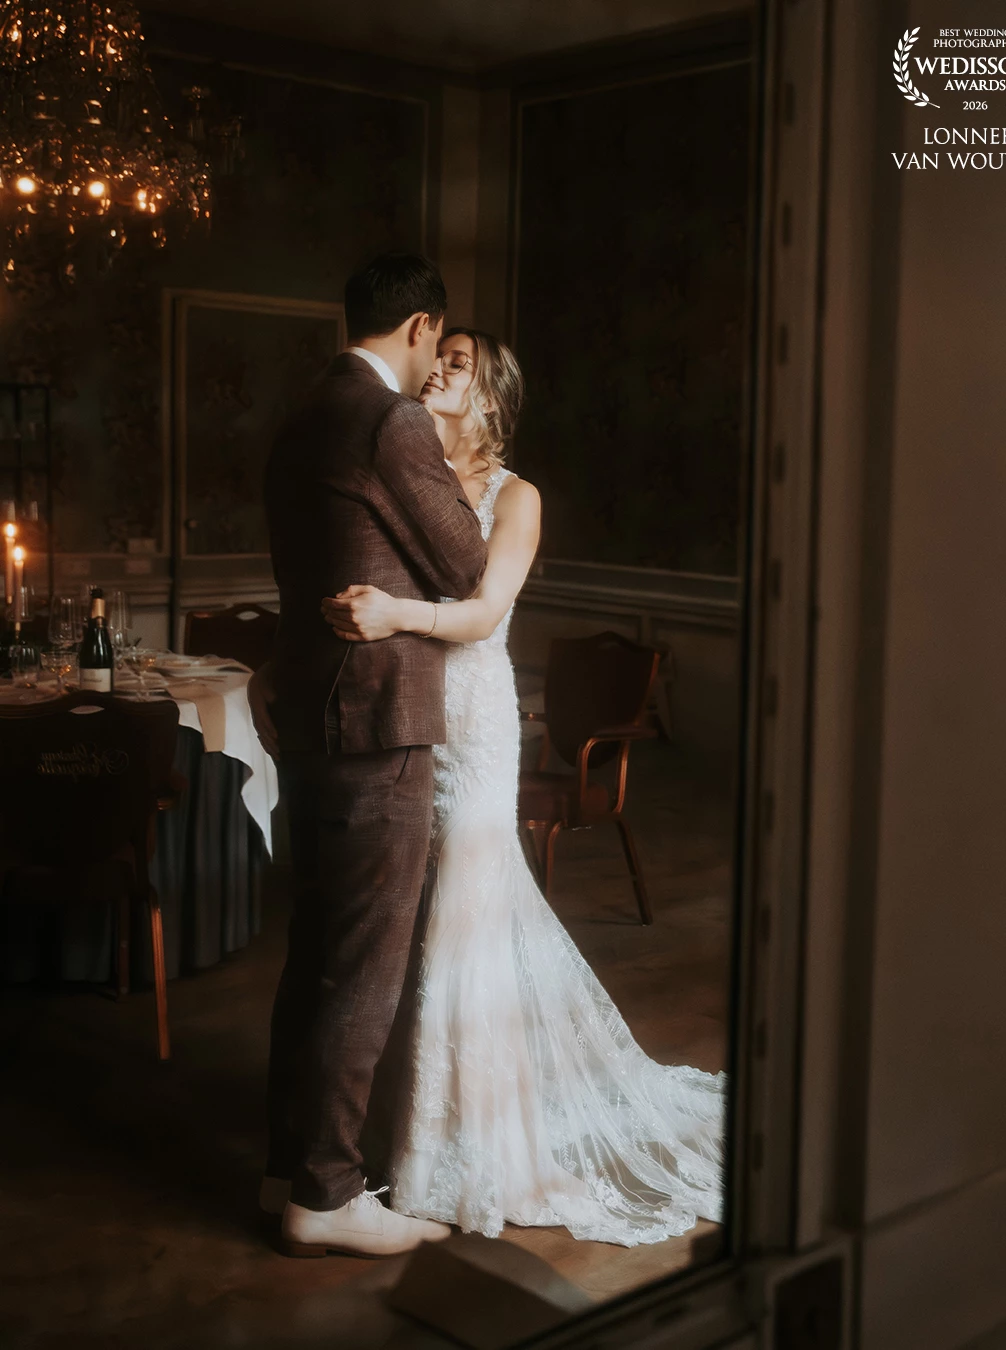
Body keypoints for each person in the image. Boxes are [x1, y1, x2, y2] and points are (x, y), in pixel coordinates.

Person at [322, 328, 724, 1247]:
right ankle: (394, 1124)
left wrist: (391, 615)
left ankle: (462, 1143)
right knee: (409, 919)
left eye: (459, 362)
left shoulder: (517, 496)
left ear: (493, 394)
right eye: (440, 354)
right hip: (407, 715)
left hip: (474, 720)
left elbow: (484, 612)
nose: (440, 367)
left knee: (462, 919)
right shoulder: (409, 477)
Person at [252, 254, 487, 1258]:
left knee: (314, 951)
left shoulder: (304, 411)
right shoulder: (390, 421)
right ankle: (328, 1192)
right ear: (423, 326)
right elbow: (466, 563)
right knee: (363, 965)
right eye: (439, 341)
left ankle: (288, 1166)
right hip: (379, 719)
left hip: (310, 716)